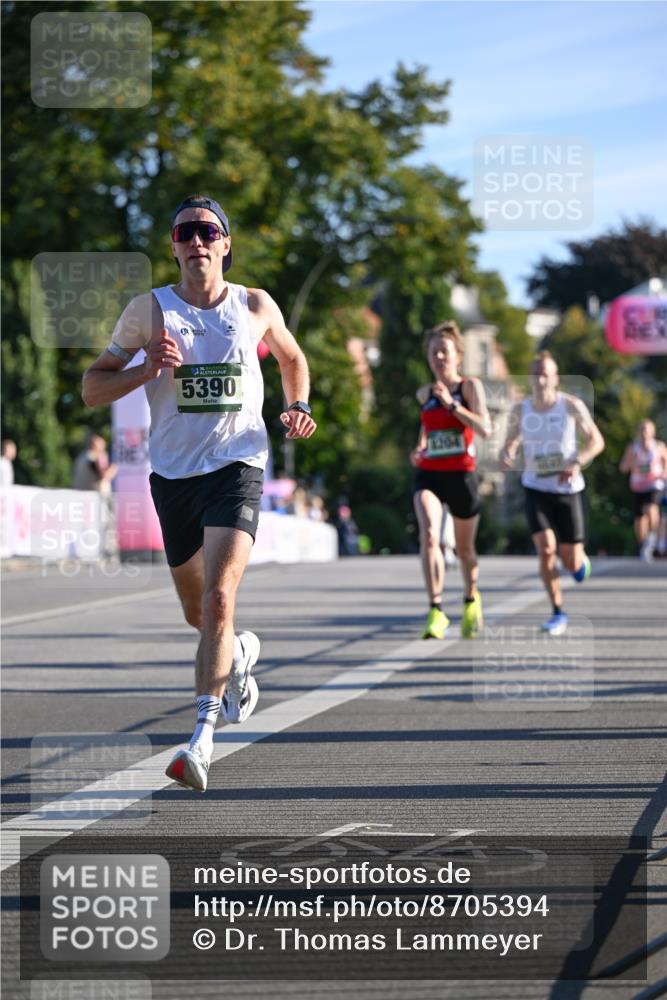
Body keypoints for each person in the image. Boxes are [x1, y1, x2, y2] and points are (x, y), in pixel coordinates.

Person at [82, 194, 316, 792]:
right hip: (173, 476)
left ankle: (201, 741)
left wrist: (297, 405)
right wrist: (144, 371)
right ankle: (236, 655)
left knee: (217, 598)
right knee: (198, 612)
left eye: (208, 231)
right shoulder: (148, 311)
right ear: (173, 246)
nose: (197, 241)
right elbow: (91, 388)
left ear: (226, 244)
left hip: (237, 463)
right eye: (185, 232)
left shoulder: (255, 305)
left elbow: (293, 358)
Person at [500, 351, 604, 635]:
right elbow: (509, 443)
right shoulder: (521, 410)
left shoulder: (570, 406)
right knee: (546, 550)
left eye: (546, 373)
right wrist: (506, 453)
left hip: (568, 490)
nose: (540, 378)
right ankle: (558, 611)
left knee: (570, 560)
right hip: (536, 487)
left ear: (556, 378)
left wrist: (577, 460)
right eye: (535, 373)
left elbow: (596, 441)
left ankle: (579, 561)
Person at [410, 321, 491, 639]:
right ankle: (436, 610)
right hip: (429, 474)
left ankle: (471, 598)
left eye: (444, 351)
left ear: (457, 355)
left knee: (465, 551)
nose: (439, 357)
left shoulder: (469, 387)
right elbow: (428, 432)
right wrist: (419, 448)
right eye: (434, 352)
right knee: (430, 535)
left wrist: (453, 405)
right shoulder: (424, 393)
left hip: (462, 476)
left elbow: (485, 428)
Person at [619, 420, 667, 561]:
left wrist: (661, 473)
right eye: (641, 429)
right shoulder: (633, 448)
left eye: (646, 429)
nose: (644, 432)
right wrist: (632, 463)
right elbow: (623, 468)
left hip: (654, 485)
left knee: (651, 509)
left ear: (652, 432)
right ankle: (644, 544)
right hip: (638, 486)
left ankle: (654, 538)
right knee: (640, 519)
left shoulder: (658, 447)